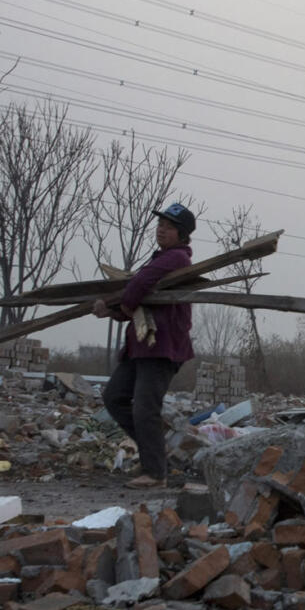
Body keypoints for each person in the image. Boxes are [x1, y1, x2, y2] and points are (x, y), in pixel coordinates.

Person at [94, 203, 196, 489]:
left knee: (145, 408)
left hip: (161, 346)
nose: (161, 229)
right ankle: (154, 453)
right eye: (160, 224)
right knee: (115, 397)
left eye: (169, 226)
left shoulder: (176, 259)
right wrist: (115, 311)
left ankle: (155, 473)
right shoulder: (160, 258)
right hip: (141, 345)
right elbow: (139, 301)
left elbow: (140, 285)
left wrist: (121, 304)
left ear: (182, 234)